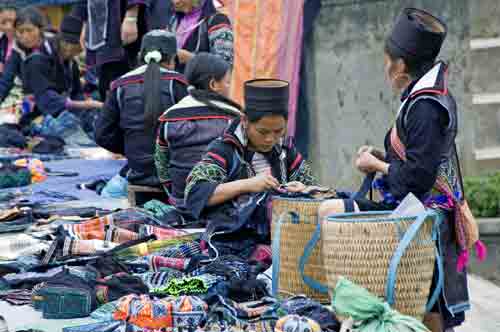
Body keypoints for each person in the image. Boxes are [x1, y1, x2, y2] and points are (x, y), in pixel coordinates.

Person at [317, 8, 468, 332]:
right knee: (429, 310)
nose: (385, 67)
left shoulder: (426, 106)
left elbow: (415, 179)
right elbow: (416, 158)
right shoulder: (423, 97)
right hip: (416, 205)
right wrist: (381, 155)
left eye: (387, 60)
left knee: (331, 210)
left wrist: (376, 165)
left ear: (400, 64)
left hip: (422, 214)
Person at [184, 79, 317, 257]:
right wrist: (248, 184)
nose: (271, 139)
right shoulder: (225, 150)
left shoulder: (285, 150)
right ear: (245, 121)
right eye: (263, 132)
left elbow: (315, 190)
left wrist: (303, 190)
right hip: (234, 240)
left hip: (283, 239)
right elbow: (195, 193)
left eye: (278, 131)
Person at [95, 30, 188, 187]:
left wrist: (131, 149)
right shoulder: (179, 84)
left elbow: (101, 134)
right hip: (175, 178)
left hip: (137, 172)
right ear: (173, 59)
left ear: (140, 56)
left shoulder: (120, 85)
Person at [155, 52, 242, 207]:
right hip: (222, 203)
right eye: (228, 82)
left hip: (181, 202)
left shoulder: (169, 117)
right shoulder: (233, 118)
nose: (230, 87)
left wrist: (176, 195)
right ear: (214, 85)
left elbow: (162, 167)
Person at [72, 0, 175, 100]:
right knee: (106, 80)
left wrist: (131, 16)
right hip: (97, 26)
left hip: (122, 22)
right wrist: (84, 23)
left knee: (127, 79)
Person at [23, 13, 102, 136]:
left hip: (64, 115)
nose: (78, 54)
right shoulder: (36, 61)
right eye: (78, 49)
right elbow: (47, 100)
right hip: (39, 117)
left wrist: (88, 105)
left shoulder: (71, 63)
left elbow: (77, 93)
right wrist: (83, 104)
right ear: (68, 46)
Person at [169, 0, 233, 73]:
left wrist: (191, 58)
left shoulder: (217, 21)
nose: (175, 2)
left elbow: (225, 65)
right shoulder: (174, 20)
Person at [0, 5, 16, 73]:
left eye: (12, 21)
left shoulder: (27, 42)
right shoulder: (2, 41)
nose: (8, 27)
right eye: (3, 22)